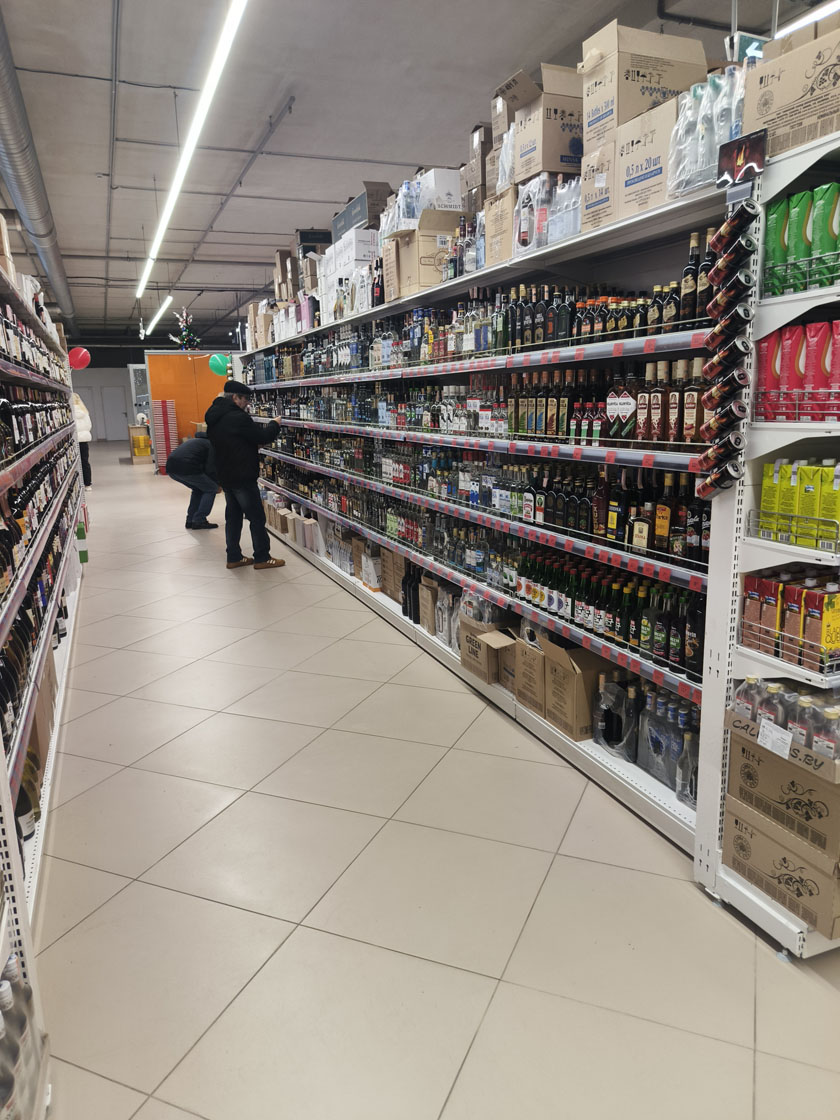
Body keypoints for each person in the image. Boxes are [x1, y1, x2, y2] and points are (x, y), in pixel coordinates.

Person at [204, 380, 285, 570]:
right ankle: (262, 557)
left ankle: (234, 557)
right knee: (256, 517)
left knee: (233, 517)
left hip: (226, 474)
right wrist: (274, 424)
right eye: (245, 399)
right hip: (242, 474)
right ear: (235, 398)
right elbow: (262, 436)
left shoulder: (214, 416)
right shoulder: (237, 417)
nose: (247, 403)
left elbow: (232, 441)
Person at [165, 432, 219, 530]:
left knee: (198, 489)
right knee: (211, 488)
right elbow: (210, 468)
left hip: (171, 468)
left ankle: (190, 520)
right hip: (187, 468)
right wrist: (217, 483)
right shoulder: (210, 444)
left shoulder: (195, 441)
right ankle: (199, 520)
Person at [72, 392, 92, 489]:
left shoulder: (70, 412)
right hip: (83, 439)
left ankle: (77, 483)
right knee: (85, 461)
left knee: (74, 462)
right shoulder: (84, 411)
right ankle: (88, 484)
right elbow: (89, 426)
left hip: (74, 439)